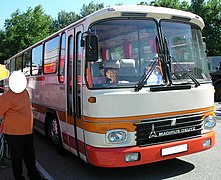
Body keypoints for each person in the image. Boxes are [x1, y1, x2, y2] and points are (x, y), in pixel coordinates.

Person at [0, 70, 41, 180]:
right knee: (17, 159)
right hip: (14, 133)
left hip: (27, 131)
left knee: (30, 157)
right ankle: (19, 178)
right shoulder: (7, 96)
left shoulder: (25, 92)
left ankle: (34, 176)